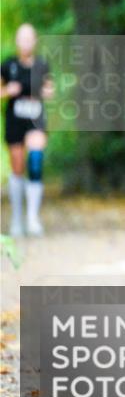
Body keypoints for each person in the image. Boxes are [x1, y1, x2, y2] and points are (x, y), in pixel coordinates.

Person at [2, 23, 54, 238]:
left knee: (35, 160)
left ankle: (33, 218)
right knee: (17, 167)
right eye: (21, 38)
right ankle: (16, 218)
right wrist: (8, 90)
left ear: (34, 41)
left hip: (35, 118)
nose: (25, 43)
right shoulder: (8, 65)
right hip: (15, 119)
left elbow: (50, 90)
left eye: (29, 38)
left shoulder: (42, 65)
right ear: (17, 41)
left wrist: (44, 91)